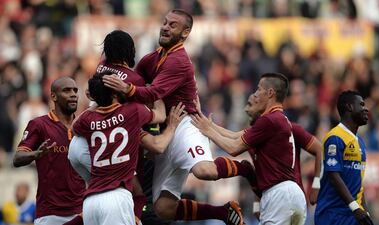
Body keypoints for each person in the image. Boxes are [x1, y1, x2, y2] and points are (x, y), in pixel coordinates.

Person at [103, 9, 251, 225]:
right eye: (164, 22)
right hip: (166, 130)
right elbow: (137, 81)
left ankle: (244, 168)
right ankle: (223, 212)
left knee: (204, 171)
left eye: (173, 25)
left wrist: (125, 87)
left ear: (185, 33)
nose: (165, 27)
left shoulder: (179, 61)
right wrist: (103, 89)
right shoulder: (151, 59)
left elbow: (152, 93)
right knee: (163, 209)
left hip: (185, 124)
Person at [191, 73, 307, 225]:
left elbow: (233, 148)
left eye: (259, 89)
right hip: (288, 194)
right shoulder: (277, 120)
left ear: (270, 93)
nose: (256, 94)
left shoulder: (270, 120)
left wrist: (207, 131)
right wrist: (208, 124)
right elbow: (234, 136)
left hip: (280, 194)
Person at [72, 72, 167, 225]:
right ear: (114, 92)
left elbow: (74, 127)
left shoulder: (88, 119)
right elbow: (161, 115)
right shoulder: (133, 111)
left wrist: (97, 100)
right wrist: (156, 92)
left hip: (90, 202)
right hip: (116, 197)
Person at [13, 77, 86, 225]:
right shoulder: (39, 125)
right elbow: (17, 158)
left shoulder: (84, 126)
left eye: (75, 90)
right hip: (50, 213)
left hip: (81, 210)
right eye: (66, 90)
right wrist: (36, 154)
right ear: (53, 96)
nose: (73, 94)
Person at [315, 90, 374, 225]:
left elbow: (359, 184)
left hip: (352, 215)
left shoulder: (359, 142)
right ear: (349, 107)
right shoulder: (335, 137)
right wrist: (355, 207)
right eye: (362, 104)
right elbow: (334, 176)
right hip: (333, 215)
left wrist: (364, 210)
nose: (366, 109)